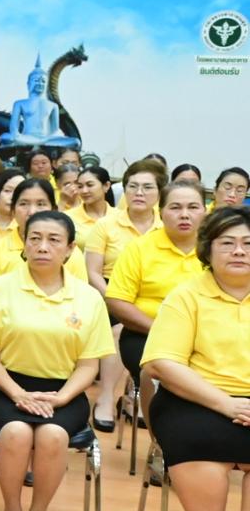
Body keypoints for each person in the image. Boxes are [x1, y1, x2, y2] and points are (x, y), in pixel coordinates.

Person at [0, 210, 114, 511]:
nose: (43, 247)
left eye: (53, 240)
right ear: (24, 243)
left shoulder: (88, 298)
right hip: (6, 385)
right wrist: (17, 393)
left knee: (53, 436)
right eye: (34, 238)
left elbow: (89, 365)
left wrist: (61, 397)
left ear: (70, 249)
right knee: (15, 432)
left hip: (64, 390)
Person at [140, 206, 250, 511]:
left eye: (248, 243)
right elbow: (160, 363)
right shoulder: (186, 295)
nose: (239, 251)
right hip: (196, 398)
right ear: (208, 250)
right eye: (227, 243)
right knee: (195, 442)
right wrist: (226, 404)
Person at [105, 180, 207, 391]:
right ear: (161, 213)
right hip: (147, 333)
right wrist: (160, 329)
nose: (184, 215)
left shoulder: (217, 250)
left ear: (205, 212)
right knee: (168, 374)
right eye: (175, 207)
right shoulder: (139, 248)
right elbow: (117, 300)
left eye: (193, 207)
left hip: (205, 336)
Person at [84, 159, 163, 430]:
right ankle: (107, 396)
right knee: (119, 328)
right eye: (133, 186)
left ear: (159, 192)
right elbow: (92, 272)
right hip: (108, 292)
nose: (139, 193)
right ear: (123, 189)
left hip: (151, 295)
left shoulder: (166, 227)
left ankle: (137, 397)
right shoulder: (106, 225)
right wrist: (116, 298)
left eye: (147, 187)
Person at [0, 178, 89, 288]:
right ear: (13, 210)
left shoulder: (68, 252)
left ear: (54, 210)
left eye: (41, 204)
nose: (32, 212)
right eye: (24, 204)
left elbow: (81, 295)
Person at [4, 56, 78, 149]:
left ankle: (40, 143)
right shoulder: (19, 104)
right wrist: (20, 137)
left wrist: (46, 138)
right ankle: (40, 143)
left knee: (75, 142)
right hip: (26, 137)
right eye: (36, 80)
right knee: (6, 137)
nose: (40, 83)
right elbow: (14, 130)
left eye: (43, 81)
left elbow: (54, 129)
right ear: (28, 84)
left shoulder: (53, 105)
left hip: (46, 138)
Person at [69, 166, 112, 244]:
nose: (84, 191)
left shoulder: (120, 216)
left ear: (106, 186)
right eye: (80, 186)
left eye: (90, 185)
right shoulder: (68, 218)